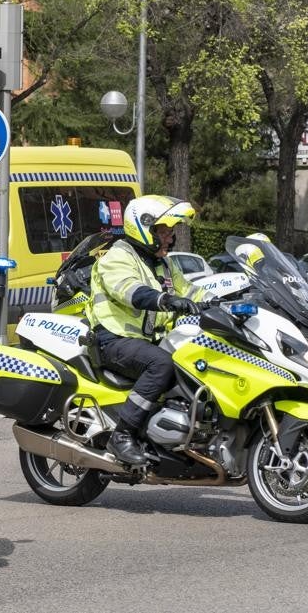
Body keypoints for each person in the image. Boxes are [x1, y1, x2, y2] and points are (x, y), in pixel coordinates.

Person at [85, 195, 212, 465]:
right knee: (161, 365)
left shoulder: (162, 264)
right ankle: (121, 436)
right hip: (114, 339)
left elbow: (190, 292)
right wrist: (165, 300)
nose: (170, 238)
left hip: (149, 341)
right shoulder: (117, 257)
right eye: (164, 231)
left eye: (170, 232)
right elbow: (129, 290)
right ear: (143, 228)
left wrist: (227, 299)